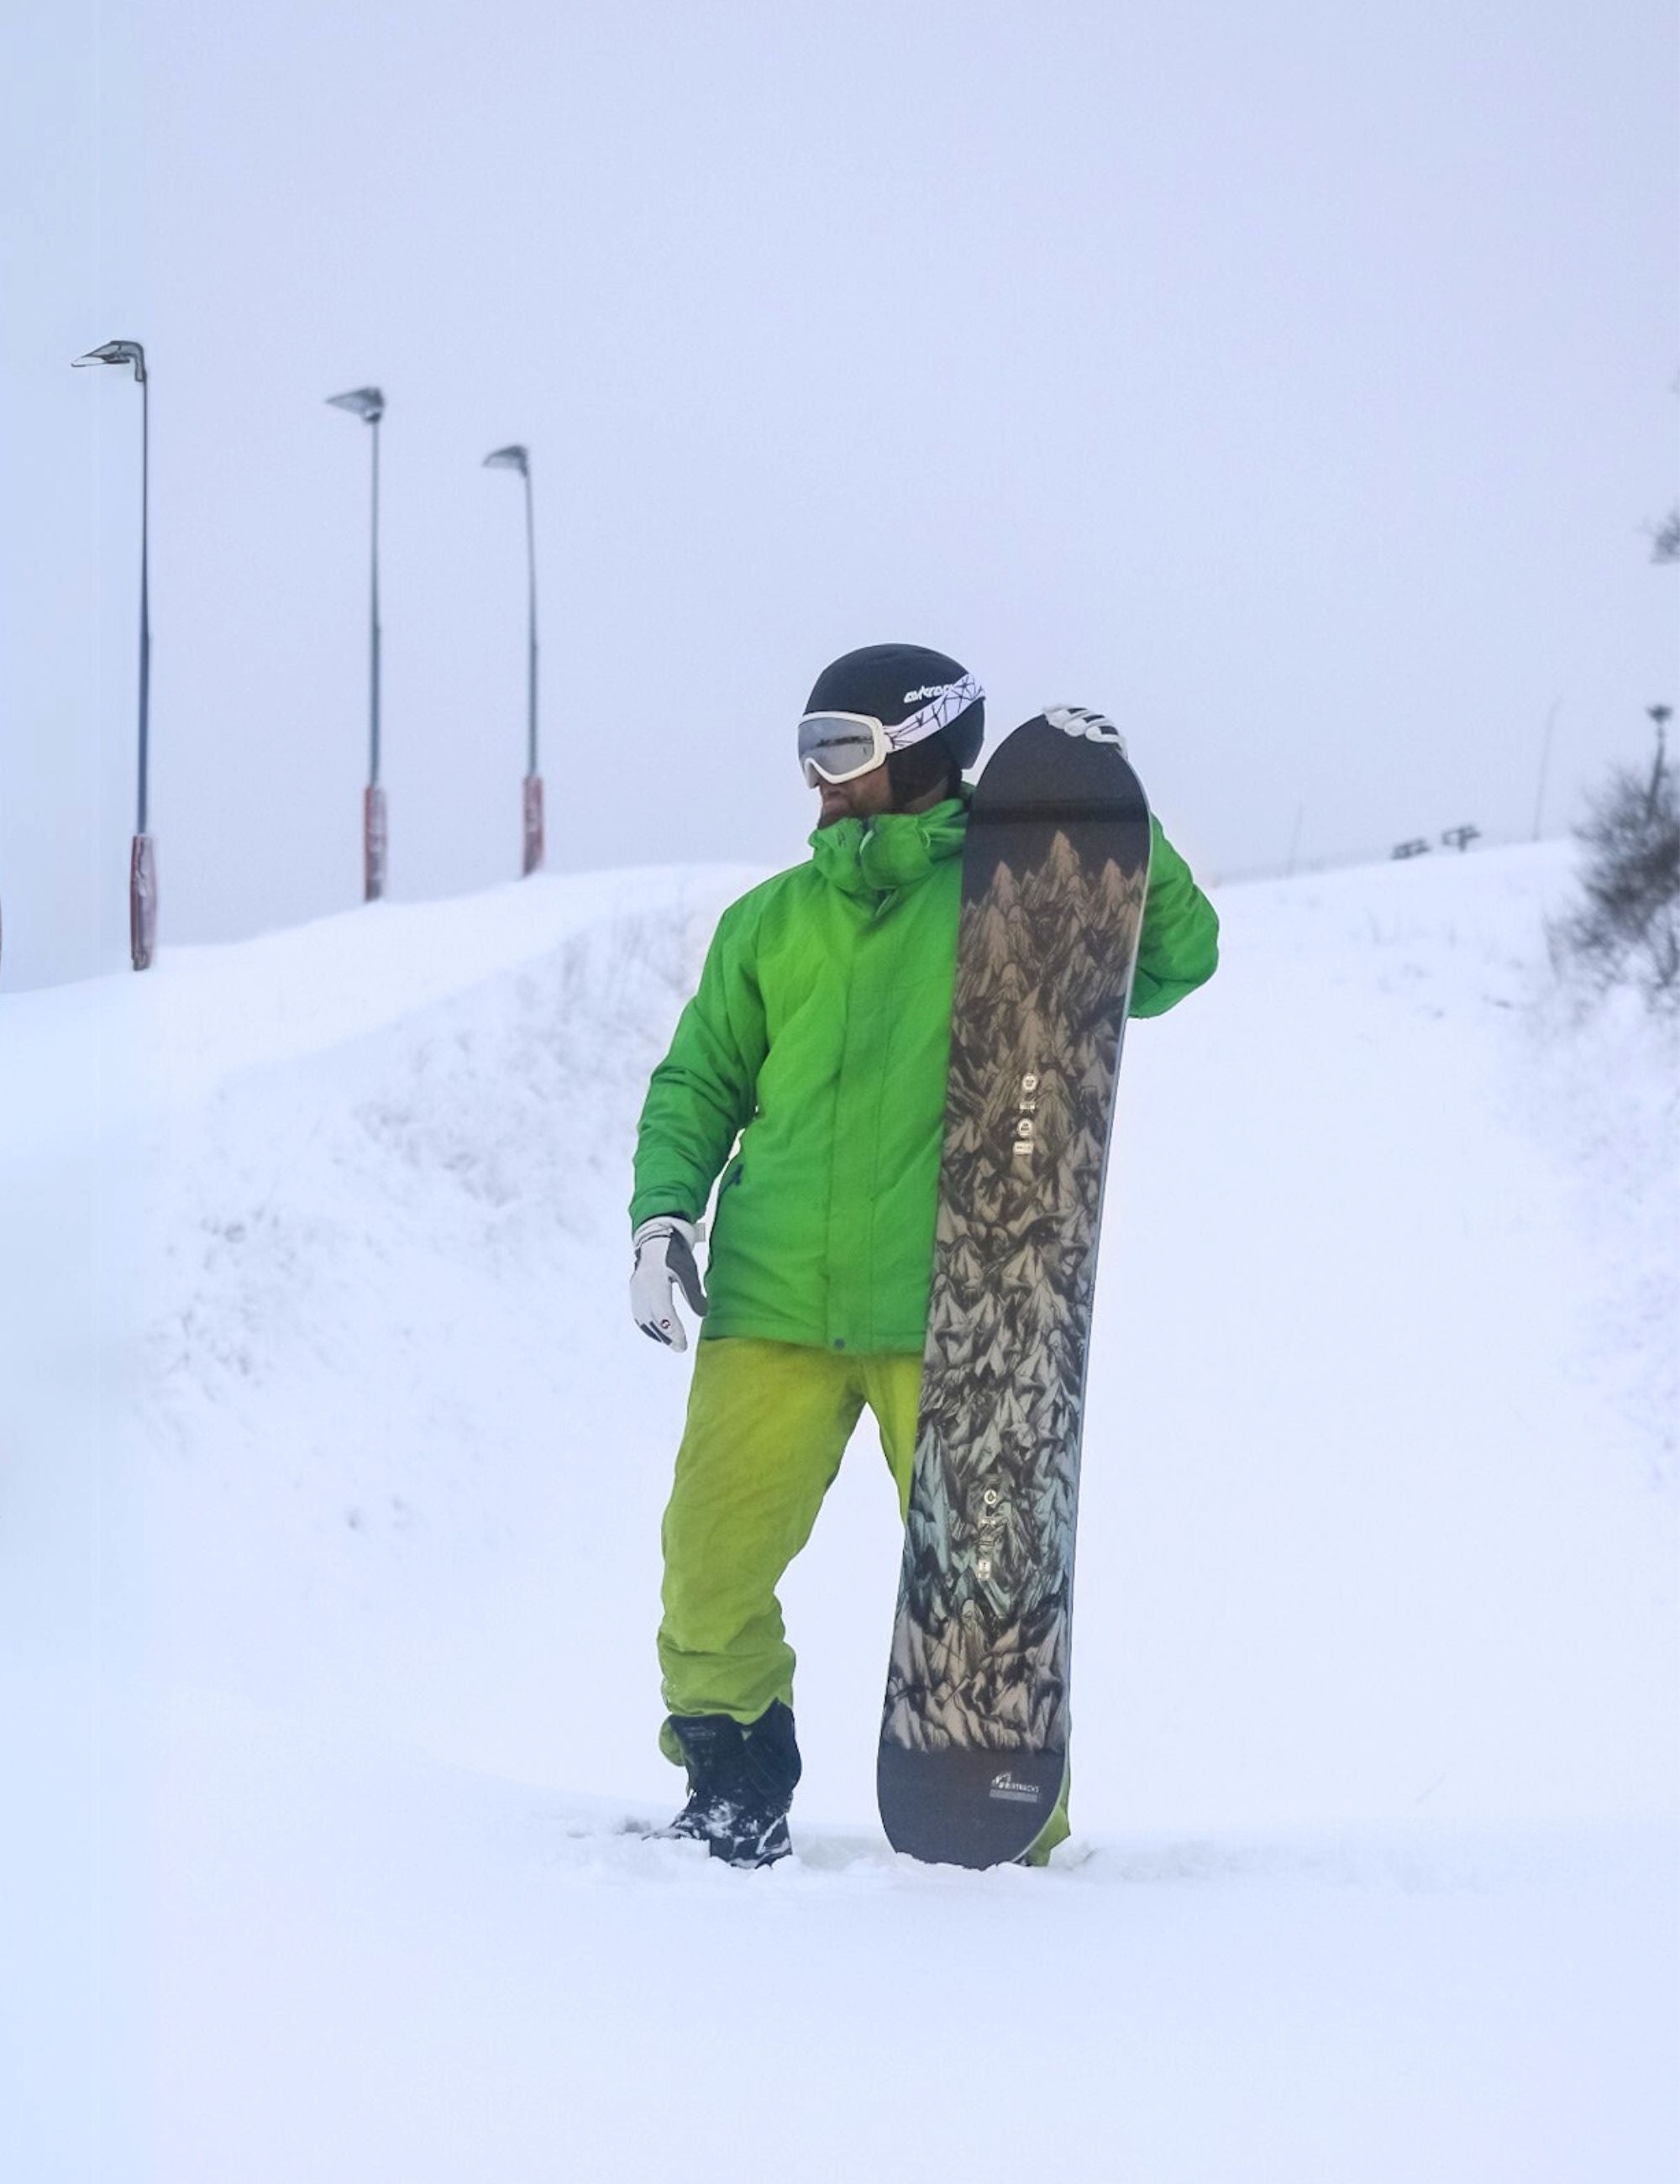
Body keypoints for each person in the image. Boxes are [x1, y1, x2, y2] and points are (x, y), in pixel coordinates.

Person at [628, 643, 1219, 1866]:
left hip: (962, 1312)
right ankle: (733, 1782)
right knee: (707, 1569)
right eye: (808, 754)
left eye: (844, 751)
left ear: (929, 749)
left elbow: (1171, 962)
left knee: (990, 1604)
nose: (820, 781)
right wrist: (662, 1213)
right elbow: (699, 1082)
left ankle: (1016, 1833)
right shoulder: (771, 922)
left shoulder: (1025, 900)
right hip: (772, 1300)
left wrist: (1108, 816)